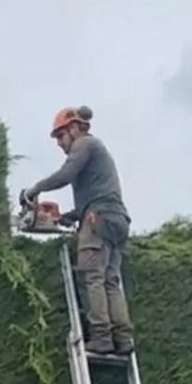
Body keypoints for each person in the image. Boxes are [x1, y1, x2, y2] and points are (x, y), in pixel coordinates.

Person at [23, 106, 134, 356]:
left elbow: (66, 174)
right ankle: (123, 338)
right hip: (116, 218)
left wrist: (34, 190)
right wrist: (68, 217)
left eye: (61, 136)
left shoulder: (84, 144)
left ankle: (102, 338)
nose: (60, 143)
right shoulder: (98, 151)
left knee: (92, 277)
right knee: (110, 280)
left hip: (98, 218)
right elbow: (97, 195)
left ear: (74, 128)